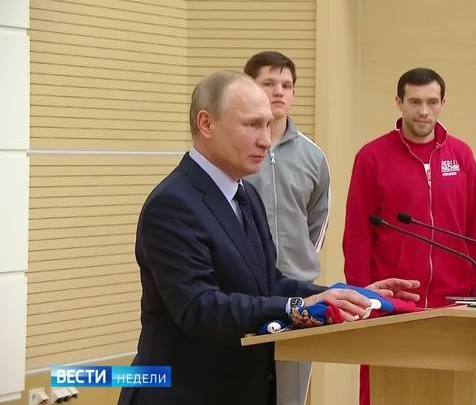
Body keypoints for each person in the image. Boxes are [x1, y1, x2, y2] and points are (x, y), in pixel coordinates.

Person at [118, 71, 420, 405]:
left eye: (268, 125)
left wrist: (345, 296)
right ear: (206, 124)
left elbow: (268, 284)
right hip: (185, 393)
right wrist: (296, 307)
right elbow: (199, 307)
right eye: (252, 125)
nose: (265, 139)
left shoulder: (246, 195)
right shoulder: (173, 204)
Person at [343, 67, 476, 405]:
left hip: (453, 305)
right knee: (385, 394)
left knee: (448, 395)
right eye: (415, 102)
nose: (424, 111)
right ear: (399, 102)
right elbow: (357, 235)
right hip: (392, 304)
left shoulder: (462, 156)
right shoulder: (371, 157)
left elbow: (475, 228)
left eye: (432, 102)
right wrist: (361, 295)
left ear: (442, 104)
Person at [243, 50, 330, 405]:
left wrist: (299, 263)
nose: (279, 91)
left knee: (291, 394)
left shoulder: (313, 156)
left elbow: (318, 220)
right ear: (249, 88)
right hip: (245, 291)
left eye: (287, 85)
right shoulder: (236, 152)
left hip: (298, 291)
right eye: (269, 83)